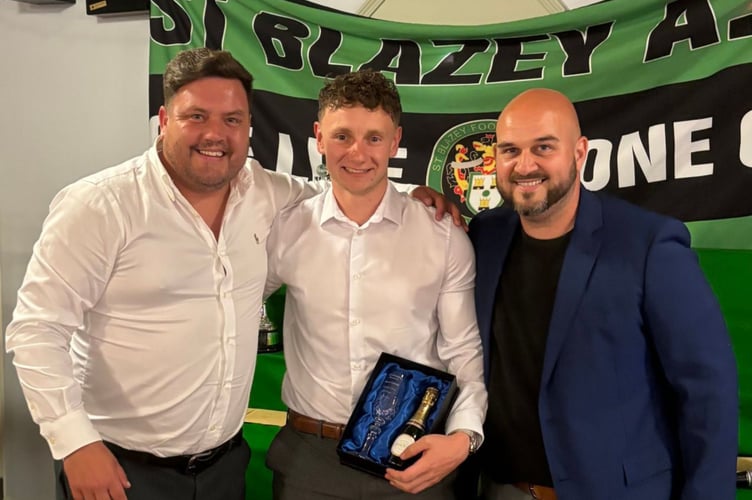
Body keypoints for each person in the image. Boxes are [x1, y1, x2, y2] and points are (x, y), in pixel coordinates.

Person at [5, 48, 458, 500]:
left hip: (223, 467)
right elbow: (35, 330)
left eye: (232, 120)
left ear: (248, 127)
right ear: (164, 119)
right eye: (196, 116)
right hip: (120, 466)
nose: (215, 134)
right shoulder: (99, 206)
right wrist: (75, 442)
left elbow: (347, 185)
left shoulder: (266, 191)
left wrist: (411, 193)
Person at [466, 88, 738, 500]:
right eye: (509, 150)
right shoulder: (484, 236)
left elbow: (707, 389)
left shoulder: (649, 244)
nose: (524, 165)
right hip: (497, 490)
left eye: (543, 147)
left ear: (579, 153)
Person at [263, 69, 488, 500]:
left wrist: (463, 439)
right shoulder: (286, 230)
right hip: (309, 459)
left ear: (396, 141)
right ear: (318, 137)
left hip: (412, 460)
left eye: (373, 138)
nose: (358, 153)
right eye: (342, 135)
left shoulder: (442, 237)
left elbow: (465, 354)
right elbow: (229, 306)